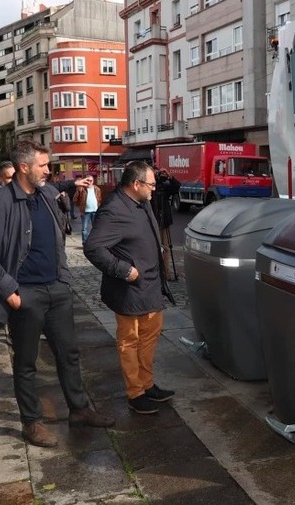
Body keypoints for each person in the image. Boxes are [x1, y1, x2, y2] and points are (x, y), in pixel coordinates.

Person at [0, 139, 113, 448]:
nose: (48, 171)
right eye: (43, 165)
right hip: (26, 294)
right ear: (23, 167)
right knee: (26, 363)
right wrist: (11, 292)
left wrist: (63, 279)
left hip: (57, 289)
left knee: (69, 354)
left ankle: (79, 409)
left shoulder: (48, 193)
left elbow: (59, 234)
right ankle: (31, 422)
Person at [84, 160, 176, 415]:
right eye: (151, 184)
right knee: (130, 341)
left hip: (151, 285)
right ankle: (135, 392)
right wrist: (123, 269)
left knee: (150, 337)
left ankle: (147, 384)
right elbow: (93, 248)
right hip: (130, 289)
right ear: (136, 184)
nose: (154, 189)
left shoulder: (141, 202)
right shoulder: (114, 209)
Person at [151, 168, 180, 281]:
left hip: (164, 220)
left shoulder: (165, 184)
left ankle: (166, 273)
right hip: (152, 219)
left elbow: (177, 186)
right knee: (153, 247)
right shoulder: (149, 186)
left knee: (166, 247)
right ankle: (154, 272)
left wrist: (169, 176)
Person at [73, 178, 101, 244]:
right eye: (87, 180)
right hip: (85, 212)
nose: (89, 182)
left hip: (95, 211)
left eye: (90, 181)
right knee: (84, 229)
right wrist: (80, 207)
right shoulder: (81, 189)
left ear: (93, 181)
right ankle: (85, 242)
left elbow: (99, 198)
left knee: (96, 227)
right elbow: (75, 199)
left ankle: (95, 241)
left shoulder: (97, 189)